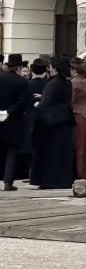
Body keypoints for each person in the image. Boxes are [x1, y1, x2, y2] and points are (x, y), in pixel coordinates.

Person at [32, 56, 75, 189]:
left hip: (51, 122)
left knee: (51, 153)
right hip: (65, 119)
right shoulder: (67, 82)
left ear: (55, 68)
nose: (48, 69)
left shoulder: (52, 83)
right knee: (63, 152)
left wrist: (38, 105)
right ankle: (64, 179)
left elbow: (45, 104)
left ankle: (51, 180)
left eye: (50, 67)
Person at [0, 55, 33, 191]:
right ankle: (8, 182)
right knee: (12, 151)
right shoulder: (22, 82)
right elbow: (25, 101)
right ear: (19, 68)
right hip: (14, 120)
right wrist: (9, 111)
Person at [69, 60, 86, 180]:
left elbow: (71, 100)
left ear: (74, 71)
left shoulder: (72, 83)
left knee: (79, 146)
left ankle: (81, 172)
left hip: (77, 115)